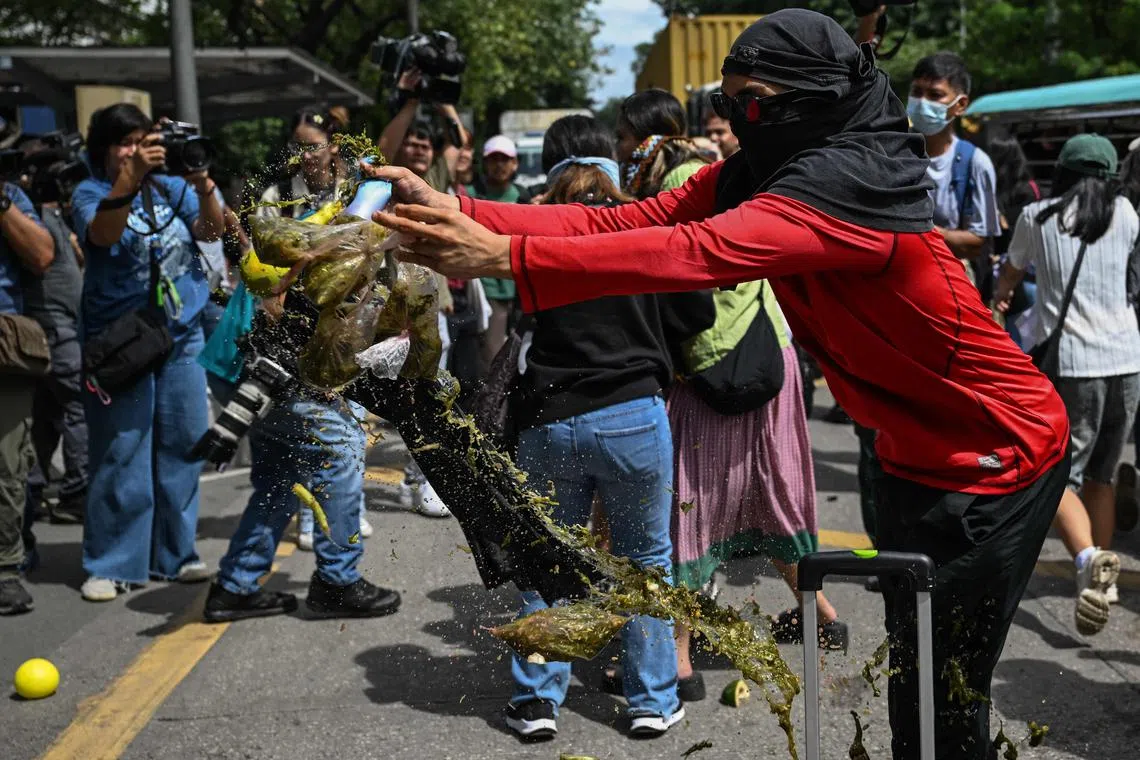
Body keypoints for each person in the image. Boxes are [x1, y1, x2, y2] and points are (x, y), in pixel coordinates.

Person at [369, 11, 1072, 758]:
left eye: (754, 103)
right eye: (729, 104)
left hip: (1000, 456)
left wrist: (507, 257)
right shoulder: (770, 167)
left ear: (811, 98)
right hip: (906, 454)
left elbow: (697, 252)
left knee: (945, 694)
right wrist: (465, 211)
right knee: (916, 681)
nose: (739, 121)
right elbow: (636, 218)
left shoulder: (847, 186)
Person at [617, 87, 843, 687]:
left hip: (711, 371)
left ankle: (681, 662)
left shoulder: (680, 185)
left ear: (645, 136)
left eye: (622, 138)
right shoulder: (716, 174)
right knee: (774, 490)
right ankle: (817, 611)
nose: (618, 151)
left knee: (688, 507)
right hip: (771, 353)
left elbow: (683, 288)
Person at [502, 115, 710, 741]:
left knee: (553, 560)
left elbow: (523, 312)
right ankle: (651, 701)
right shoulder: (646, 230)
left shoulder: (540, 240)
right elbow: (696, 310)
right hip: (631, 416)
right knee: (645, 560)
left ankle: (537, 702)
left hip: (550, 418)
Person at [71, 104, 224, 602]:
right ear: (104, 148)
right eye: (124, 142)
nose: (135, 150)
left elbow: (212, 232)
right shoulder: (90, 192)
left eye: (143, 140)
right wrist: (129, 178)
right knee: (122, 451)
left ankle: (175, 554)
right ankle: (113, 563)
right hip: (120, 343)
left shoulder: (169, 187)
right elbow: (103, 234)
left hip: (180, 335)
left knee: (183, 444)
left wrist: (202, 184)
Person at [995, 134, 1140, 633]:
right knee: (1103, 470)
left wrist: (1001, 298)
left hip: (1074, 363)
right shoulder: (1126, 213)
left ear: (1063, 169)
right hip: (1127, 359)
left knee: (1057, 473)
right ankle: (1103, 577)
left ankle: (1086, 560)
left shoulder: (1039, 216)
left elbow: (1011, 272)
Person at [254, 106, 373, 547]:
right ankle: (314, 521)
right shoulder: (279, 193)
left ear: (334, 147)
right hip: (299, 322)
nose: (304, 154)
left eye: (312, 145)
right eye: (297, 146)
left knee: (352, 424)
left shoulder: (357, 189)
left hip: (351, 318)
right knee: (316, 430)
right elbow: (265, 267)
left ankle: (348, 511)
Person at [377, 73, 467, 519]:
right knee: (372, 405)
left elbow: (459, 139)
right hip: (379, 310)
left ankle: (423, 480)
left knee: (428, 400)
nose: (416, 149)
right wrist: (410, 101)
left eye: (423, 145)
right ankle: (350, 495)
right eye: (410, 142)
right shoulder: (376, 183)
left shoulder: (434, 182)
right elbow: (382, 148)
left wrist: (443, 99)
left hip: (432, 309)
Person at [18, 140, 89, 533]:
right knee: (77, 406)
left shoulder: (51, 214)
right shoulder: (26, 215)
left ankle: (34, 488)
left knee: (46, 416)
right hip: (51, 329)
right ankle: (76, 494)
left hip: (60, 326)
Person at [0, 177, 54, 615]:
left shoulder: (12, 196)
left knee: (8, 462)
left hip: (5, 343)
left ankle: (4, 568)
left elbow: (41, 254)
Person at [906, 51, 1002, 287]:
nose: (922, 102)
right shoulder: (894, 154)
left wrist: (923, 232)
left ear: (960, 105)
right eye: (917, 92)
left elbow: (978, 241)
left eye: (935, 95)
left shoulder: (975, 163)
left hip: (951, 284)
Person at [466, 135, 532, 374]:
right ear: (484, 163)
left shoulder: (525, 199)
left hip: (518, 291)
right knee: (491, 359)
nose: (499, 165)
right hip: (485, 290)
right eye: (493, 159)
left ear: (515, 163)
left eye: (505, 159)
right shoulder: (470, 195)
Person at [986, 137, 1041, 344]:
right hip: (1023, 273)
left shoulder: (1022, 192)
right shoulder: (1030, 187)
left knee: (1019, 336)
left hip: (1018, 273)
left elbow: (1014, 234)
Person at [616, 89, 709, 198]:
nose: (616, 146)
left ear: (647, 141)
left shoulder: (684, 175)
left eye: (620, 137)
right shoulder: (645, 181)